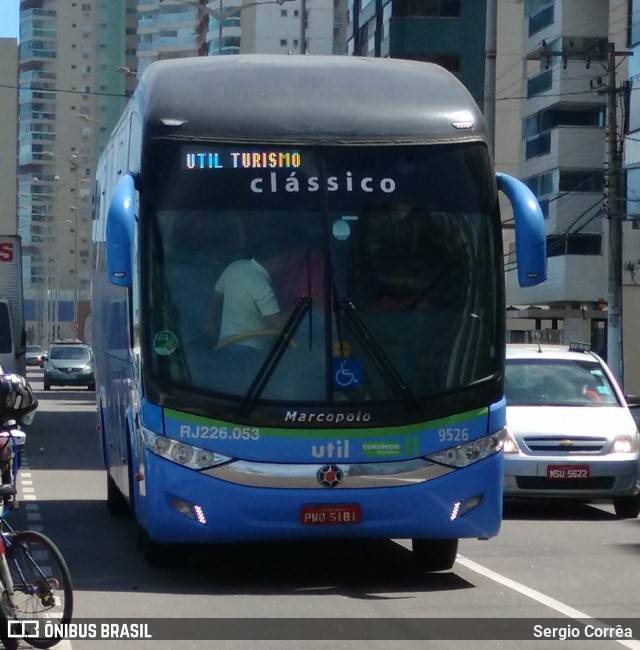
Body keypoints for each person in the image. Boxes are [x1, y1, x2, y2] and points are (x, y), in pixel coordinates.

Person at [205, 235, 294, 350]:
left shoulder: (234, 266)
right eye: (287, 261)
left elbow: (217, 295)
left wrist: (210, 321)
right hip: (250, 350)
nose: (289, 265)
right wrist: (300, 310)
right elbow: (277, 323)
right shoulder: (261, 286)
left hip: (225, 344)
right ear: (275, 261)